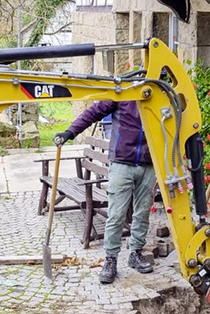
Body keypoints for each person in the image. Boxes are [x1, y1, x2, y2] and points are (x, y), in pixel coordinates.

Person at [55, 100, 154, 284]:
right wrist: (70, 132)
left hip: (149, 163)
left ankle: (136, 253)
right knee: (116, 214)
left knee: (142, 212)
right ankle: (110, 259)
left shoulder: (158, 95)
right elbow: (94, 112)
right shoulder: (123, 92)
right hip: (122, 163)